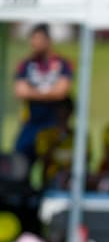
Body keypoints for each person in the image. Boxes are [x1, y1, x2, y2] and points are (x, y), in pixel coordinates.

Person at [14, 24, 73, 173]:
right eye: (32, 39)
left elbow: (61, 92)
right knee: (20, 164)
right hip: (30, 124)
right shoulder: (26, 64)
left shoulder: (62, 64)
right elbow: (20, 91)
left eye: (38, 39)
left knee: (52, 166)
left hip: (54, 125)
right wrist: (48, 92)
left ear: (48, 40)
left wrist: (33, 92)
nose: (34, 43)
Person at [35, 97, 83, 191]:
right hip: (52, 178)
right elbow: (44, 160)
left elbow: (85, 161)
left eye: (66, 110)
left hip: (74, 178)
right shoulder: (45, 135)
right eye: (60, 109)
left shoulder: (79, 137)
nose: (63, 114)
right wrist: (58, 141)